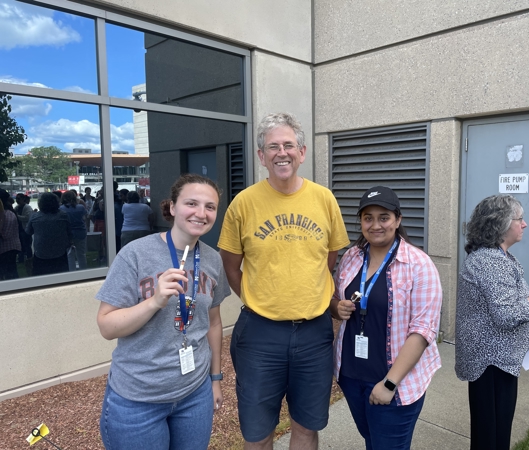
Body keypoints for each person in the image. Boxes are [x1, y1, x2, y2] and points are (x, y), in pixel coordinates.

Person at [218, 112, 350, 450]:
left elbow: (328, 259)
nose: (282, 152)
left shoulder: (324, 199)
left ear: (302, 152)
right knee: (257, 433)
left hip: (314, 333)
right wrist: (259, 297)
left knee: (306, 427)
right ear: (261, 156)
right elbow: (232, 265)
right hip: (260, 334)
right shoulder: (243, 204)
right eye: (272, 146)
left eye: (289, 145)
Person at [96, 174, 230, 450]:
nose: (201, 213)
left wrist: (215, 380)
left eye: (210, 206)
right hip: (138, 399)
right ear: (171, 208)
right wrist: (154, 301)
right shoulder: (135, 254)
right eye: (191, 203)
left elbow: (213, 324)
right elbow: (107, 327)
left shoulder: (213, 259)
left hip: (195, 394)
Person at [330, 186, 443, 450]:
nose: (375, 225)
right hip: (351, 376)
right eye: (368, 217)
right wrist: (337, 307)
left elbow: (423, 331)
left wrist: (390, 383)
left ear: (398, 220)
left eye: (384, 217)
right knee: (372, 440)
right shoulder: (352, 257)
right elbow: (334, 298)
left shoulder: (418, 264)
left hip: (392, 383)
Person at [455, 194, 529, 450]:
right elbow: (507, 314)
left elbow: (513, 303)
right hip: (489, 362)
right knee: (490, 436)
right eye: (520, 219)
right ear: (502, 224)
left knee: (498, 430)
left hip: (500, 360)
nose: (525, 224)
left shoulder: (501, 256)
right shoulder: (489, 261)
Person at [26, 192, 72, 276]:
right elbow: (69, 232)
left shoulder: (35, 216)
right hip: (60, 252)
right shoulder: (63, 215)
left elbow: (28, 232)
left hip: (41, 253)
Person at [60, 190, 88, 271]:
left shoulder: (61, 209)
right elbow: (85, 217)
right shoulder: (81, 207)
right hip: (81, 232)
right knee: (81, 254)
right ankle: (84, 272)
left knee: (70, 255)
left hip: (68, 234)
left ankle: (72, 272)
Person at [0, 189, 21, 280]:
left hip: (7, 249)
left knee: (10, 273)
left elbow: (6, 235)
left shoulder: (7, 214)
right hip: (9, 248)